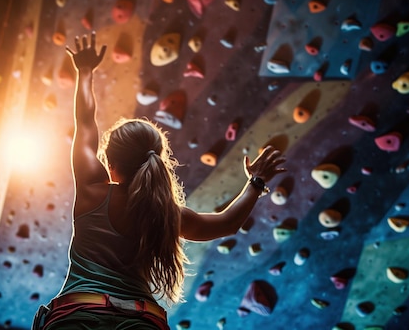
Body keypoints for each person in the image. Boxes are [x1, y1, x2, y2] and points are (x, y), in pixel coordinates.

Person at [32, 31, 287, 330]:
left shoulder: (92, 191)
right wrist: (255, 182)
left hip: (77, 316)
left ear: (110, 164)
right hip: (142, 322)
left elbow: (85, 122)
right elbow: (227, 222)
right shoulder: (166, 215)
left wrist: (85, 71)